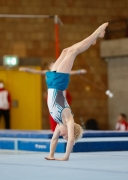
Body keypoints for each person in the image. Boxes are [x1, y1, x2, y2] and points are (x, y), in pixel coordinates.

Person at [43, 22, 108, 161]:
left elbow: (54, 140)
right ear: (73, 129)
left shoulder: (59, 124)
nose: (63, 137)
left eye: (64, 137)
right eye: (65, 136)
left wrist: (51, 155)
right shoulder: (68, 118)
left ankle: (94, 38)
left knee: (66, 51)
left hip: (51, 83)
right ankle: (97, 33)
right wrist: (65, 156)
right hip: (59, 83)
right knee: (73, 52)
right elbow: (72, 139)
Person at [19, 65, 87, 132]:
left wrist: (79, 71)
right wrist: (26, 69)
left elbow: (70, 72)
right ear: (50, 67)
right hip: (52, 94)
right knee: (54, 112)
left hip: (60, 93)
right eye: (52, 65)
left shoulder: (60, 73)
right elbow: (37, 72)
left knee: (63, 112)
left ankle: (66, 127)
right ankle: (54, 129)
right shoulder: (47, 72)